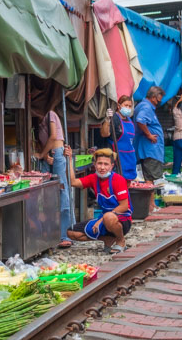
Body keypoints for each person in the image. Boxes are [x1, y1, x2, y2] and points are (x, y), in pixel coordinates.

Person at [65, 148, 132, 254]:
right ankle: (107, 239)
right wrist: (69, 160)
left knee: (108, 217)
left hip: (122, 220)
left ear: (111, 166)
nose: (102, 167)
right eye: (99, 163)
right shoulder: (93, 178)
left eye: (106, 164)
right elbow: (73, 182)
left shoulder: (118, 180)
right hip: (105, 218)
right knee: (71, 232)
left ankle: (120, 240)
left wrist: (101, 220)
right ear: (95, 165)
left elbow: (124, 206)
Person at [35, 107, 72, 248]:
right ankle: (52, 233)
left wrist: (41, 154)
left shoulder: (50, 113)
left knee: (62, 191)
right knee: (49, 194)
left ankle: (65, 234)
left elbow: (53, 137)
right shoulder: (42, 120)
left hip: (56, 153)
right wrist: (45, 154)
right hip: (52, 154)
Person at [99, 95, 137, 181]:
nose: (128, 108)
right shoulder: (115, 118)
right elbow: (104, 134)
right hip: (118, 161)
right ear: (119, 106)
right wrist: (107, 120)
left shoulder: (130, 120)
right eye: (125, 105)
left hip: (129, 159)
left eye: (129, 106)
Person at [133, 85, 166, 184]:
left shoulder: (144, 106)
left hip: (149, 149)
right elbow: (140, 120)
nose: (159, 102)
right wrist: (149, 135)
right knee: (150, 178)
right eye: (158, 100)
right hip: (151, 150)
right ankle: (150, 199)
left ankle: (149, 198)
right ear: (152, 97)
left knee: (149, 177)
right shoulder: (146, 107)